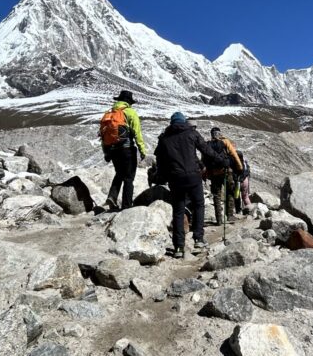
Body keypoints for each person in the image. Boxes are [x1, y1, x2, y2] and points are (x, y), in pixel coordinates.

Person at [154, 112, 229, 258]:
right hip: (194, 176)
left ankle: (179, 247)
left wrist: (161, 176)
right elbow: (207, 151)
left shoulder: (164, 138)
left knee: (178, 210)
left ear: (171, 123)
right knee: (199, 204)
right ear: (184, 122)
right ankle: (198, 239)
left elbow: (160, 160)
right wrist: (222, 160)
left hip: (175, 178)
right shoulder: (192, 133)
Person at [98, 90, 146, 211]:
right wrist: (142, 150)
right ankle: (127, 206)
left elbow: (103, 135)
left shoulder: (109, 114)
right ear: (129, 102)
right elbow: (137, 133)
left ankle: (112, 197)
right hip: (127, 149)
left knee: (119, 173)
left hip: (113, 150)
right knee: (129, 178)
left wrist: (106, 153)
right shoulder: (130, 112)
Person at [203, 127, 244, 226]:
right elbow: (234, 154)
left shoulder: (207, 144)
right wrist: (240, 167)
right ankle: (229, 215)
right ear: (219, 133)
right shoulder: (225, 141)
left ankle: (219, 220)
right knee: (230, 192)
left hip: (214, 173)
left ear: (211, 134)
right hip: (226, 172)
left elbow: (204, 160)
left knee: (216, 195)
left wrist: (206, 174)